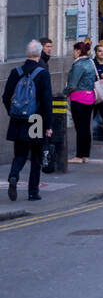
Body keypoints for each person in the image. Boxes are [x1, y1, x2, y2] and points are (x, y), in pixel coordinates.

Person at [3, 40, 53, 201]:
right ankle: (33, 192)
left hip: (18, 119)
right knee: (37, 157)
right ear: (39, 54)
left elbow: (5, 97)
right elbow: (47, 101)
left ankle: (13, 176)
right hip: (36, 120)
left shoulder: (15, 72)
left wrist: (12, 113)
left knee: (20, 154)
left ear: (27, 53)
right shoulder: (43, 73)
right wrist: (48, 125)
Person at [64, 41, 98, 164]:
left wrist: (64, 92)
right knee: (86, 128)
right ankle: (85, 155)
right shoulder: (90, 62)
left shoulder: (78, 65)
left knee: (80, 128)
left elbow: (72, 84)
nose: (73, 53)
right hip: (90, 98)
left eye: (74, 50)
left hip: (78, 99)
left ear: (78, 51)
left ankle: (78, 156)